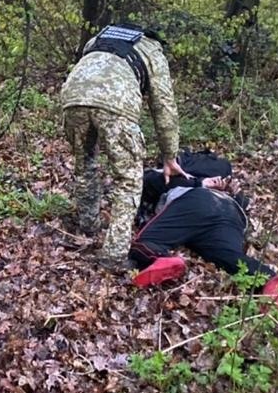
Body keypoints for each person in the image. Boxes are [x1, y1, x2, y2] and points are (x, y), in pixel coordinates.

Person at [60, 23, 188, 271]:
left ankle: (89, 224)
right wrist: (170, 155)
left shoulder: (99, 38)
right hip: (115, 104)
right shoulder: (152, 50)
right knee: (128, 179)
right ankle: (114, 256)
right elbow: (164, 107)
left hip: (73, 97)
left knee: (85, 162)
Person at [129, 174, 278, 305]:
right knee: (230, 257)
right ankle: (271, 280)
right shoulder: (224, 181)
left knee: (144, 243)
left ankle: (159, 257)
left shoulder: (180, 174)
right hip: (233, 214)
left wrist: (200, 183)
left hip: (197, 201)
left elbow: (149, 180)